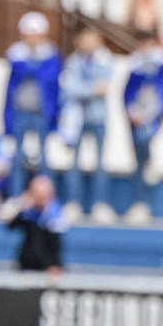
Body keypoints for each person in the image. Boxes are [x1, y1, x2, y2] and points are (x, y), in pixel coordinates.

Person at [59, 27, 116, 223]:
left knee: (100, 162)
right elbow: (69, 88)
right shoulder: (73, 61)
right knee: (73, 163)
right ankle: (73, 203)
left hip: (98, 118)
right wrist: (92, 88)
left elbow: (105, 87)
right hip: (76, 119)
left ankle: (99, 204)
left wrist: (84, 89)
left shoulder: (105, 60)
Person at [3, 12, 61, 198]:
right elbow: (13, 82)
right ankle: (16, 197)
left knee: (44, 158)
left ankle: (45, 199)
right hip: (20, 111)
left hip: (41, 112)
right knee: (18, 158)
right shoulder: (16, 54)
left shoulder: (51, 55)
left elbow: (49, 79)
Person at [122, 30, 163, 224]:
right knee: (137, 159)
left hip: (151, 116)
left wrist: (151, 115)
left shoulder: (162, 64)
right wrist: (131, 111)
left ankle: (143, 200)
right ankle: (139, 203)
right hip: (135, 117)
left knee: (143, 147)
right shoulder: (135, 64)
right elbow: (127, 92)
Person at [7, 174, 65, 273]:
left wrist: (54, 264)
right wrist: (21, 209)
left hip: (48, 266)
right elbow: (11, 227)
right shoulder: (28, 213)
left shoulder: (53, 214)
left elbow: (56, 244)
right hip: (27, 264)